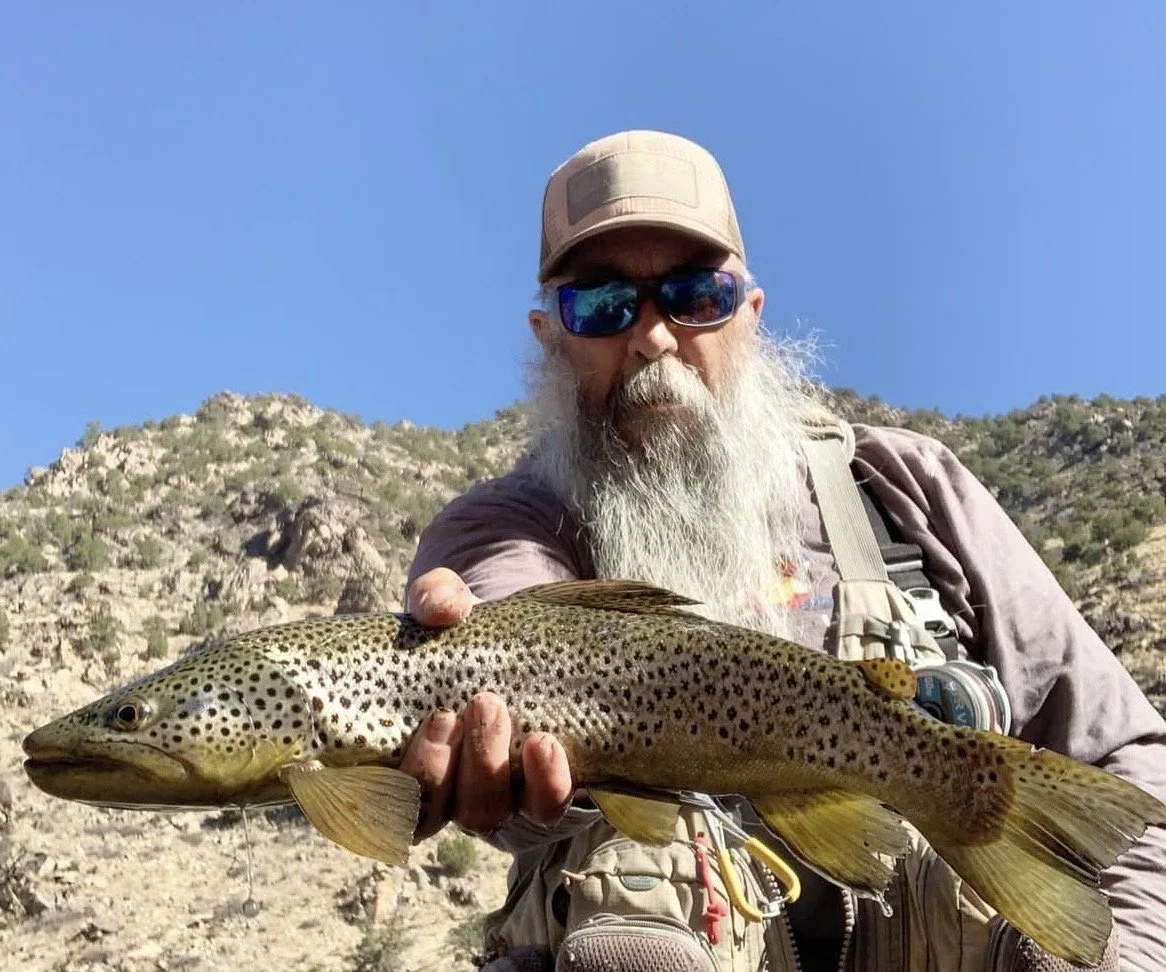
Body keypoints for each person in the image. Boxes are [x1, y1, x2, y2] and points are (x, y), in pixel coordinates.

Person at [398, 130, 1166, 971]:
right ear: (551, 335)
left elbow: (1125, 763)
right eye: (606, 305)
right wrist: (481, 695)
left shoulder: (906, 486)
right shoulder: (505, 525)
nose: (653, 338)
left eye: (696, 295)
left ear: (750, 316)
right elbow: (511, 632)